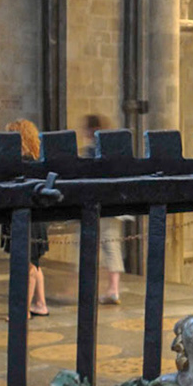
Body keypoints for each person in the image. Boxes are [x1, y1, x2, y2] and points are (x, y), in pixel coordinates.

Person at [2, 119, 51, 316]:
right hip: (35, 217)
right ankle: (40, 304)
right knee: (34, 262)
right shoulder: (37, 161)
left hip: (27, 217)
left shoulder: (24, 164)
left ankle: (22, 311)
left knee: (27, 264)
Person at [78, 112, 126, 304]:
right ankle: (108, 287)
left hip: (105, 204)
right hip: (109, 203)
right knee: (107, 244)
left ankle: (113, 289)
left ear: (92, 129)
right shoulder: (111, 147)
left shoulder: (95, 149)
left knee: (109, 244)